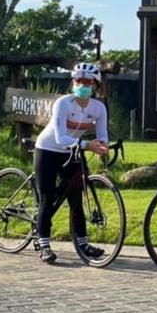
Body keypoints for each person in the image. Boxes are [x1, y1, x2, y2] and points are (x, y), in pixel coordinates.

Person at [33, 62, 110, 264]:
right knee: (47, 198)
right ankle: (43, 243)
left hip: (72, 151)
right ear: (73, 82)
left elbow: (102, 135)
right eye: (79, 81)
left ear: (95, 85)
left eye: (87, 82)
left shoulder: (98, 108)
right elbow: (60, 138)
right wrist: (87, 144)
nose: (82, 85)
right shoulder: (63, 103)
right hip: (48, 149)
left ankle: (83, 243)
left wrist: (103, 146)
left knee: (76, 198)